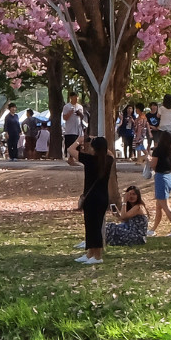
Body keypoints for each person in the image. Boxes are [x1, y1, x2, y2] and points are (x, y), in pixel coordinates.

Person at [69, 136, 112, 264]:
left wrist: (79, 140)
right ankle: (90, 253)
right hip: (103, 197)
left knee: (93, 226)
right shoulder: (108, 160)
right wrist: (97, 140)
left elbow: (70, 149)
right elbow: (109, 153)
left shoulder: (89, 159)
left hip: (91, 197)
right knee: (94, 225)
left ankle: (97, 256)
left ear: (93, 148)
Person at [148, 129, 171, 237]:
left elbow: (153, 165)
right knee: (159, 206)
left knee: (165, 206)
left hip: (160, 177)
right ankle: (153, 229)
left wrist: (148, 159)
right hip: (169, 177)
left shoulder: (157, 150)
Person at [61, 93, 85, 159]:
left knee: (78, 145)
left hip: (78, 130)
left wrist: (80, 113)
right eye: (74, 97)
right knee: (70, 144)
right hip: (70, 130)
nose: (76, 99)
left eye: (77, 97)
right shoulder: (66, 106)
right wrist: (70, 112)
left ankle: (77, 158)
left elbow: (82, 117)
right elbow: (64, 118)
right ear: (71, 97)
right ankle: (70, 158)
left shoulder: (80, 107)